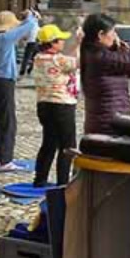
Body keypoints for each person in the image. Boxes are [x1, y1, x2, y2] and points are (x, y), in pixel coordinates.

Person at [80, 13, 130, 135]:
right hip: (110, 122)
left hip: (102, 119)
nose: (115, 36)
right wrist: (125, 44)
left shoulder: (89, 51)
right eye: (112, 32)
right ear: (101, 35)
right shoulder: (102, 58)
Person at [0, 10, 39, 169]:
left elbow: (21, 28)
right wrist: (31, 16)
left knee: (0, 120)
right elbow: (27, 27)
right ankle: (6, 160)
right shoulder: (4, 38)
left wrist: (26, 18)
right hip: (4, 82)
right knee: (9, 121)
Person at [32, 24, 80, 187]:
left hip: (44, 105)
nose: (63, 43)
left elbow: (69, 60)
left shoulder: (39, 58)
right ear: (53, 43)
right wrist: (81, 42)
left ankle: (40, 179)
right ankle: (63, 182)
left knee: (49, 142)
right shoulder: (59, 59)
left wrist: (76, 44)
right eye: (60, 40)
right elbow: (76, 62)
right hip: (62, 105)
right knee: (68, 146)